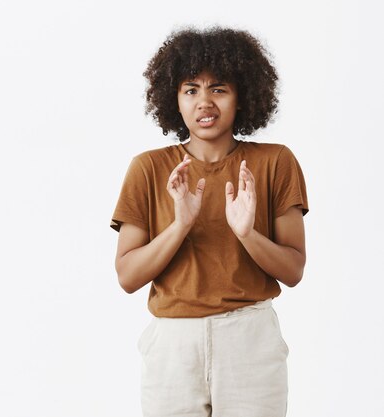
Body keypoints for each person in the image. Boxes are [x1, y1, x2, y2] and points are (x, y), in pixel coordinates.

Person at [109, 26, 309, 417]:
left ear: (243, 96)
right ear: (174, 99)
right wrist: (180, 224)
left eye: (218, 89)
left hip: (250, 338)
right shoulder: (148, 169)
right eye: (191, 90)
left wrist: (247, 233)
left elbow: (294, 270)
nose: (205, 103)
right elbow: (128, 277)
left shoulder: (275, 162)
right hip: (173, 344)